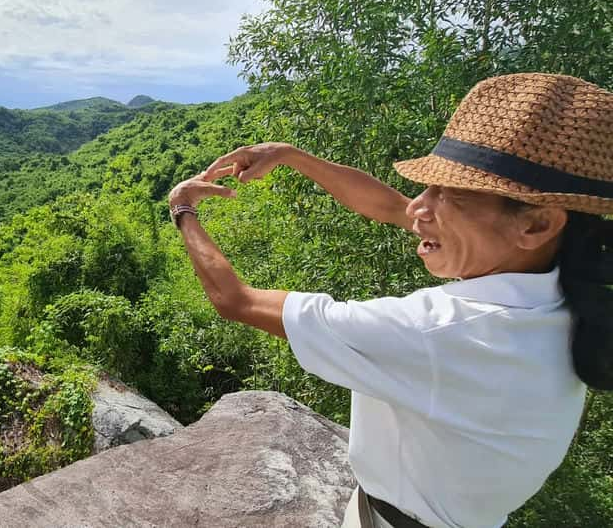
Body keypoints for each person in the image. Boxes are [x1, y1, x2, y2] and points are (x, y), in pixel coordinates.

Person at [168, 72, 613, 528]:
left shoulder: (440, 331)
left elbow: (235, 299)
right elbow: (388, 207)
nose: (419, 207)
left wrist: (183, 209)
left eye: (449, 193)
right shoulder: (559, 295)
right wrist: (290, 156)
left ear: (537, 224)